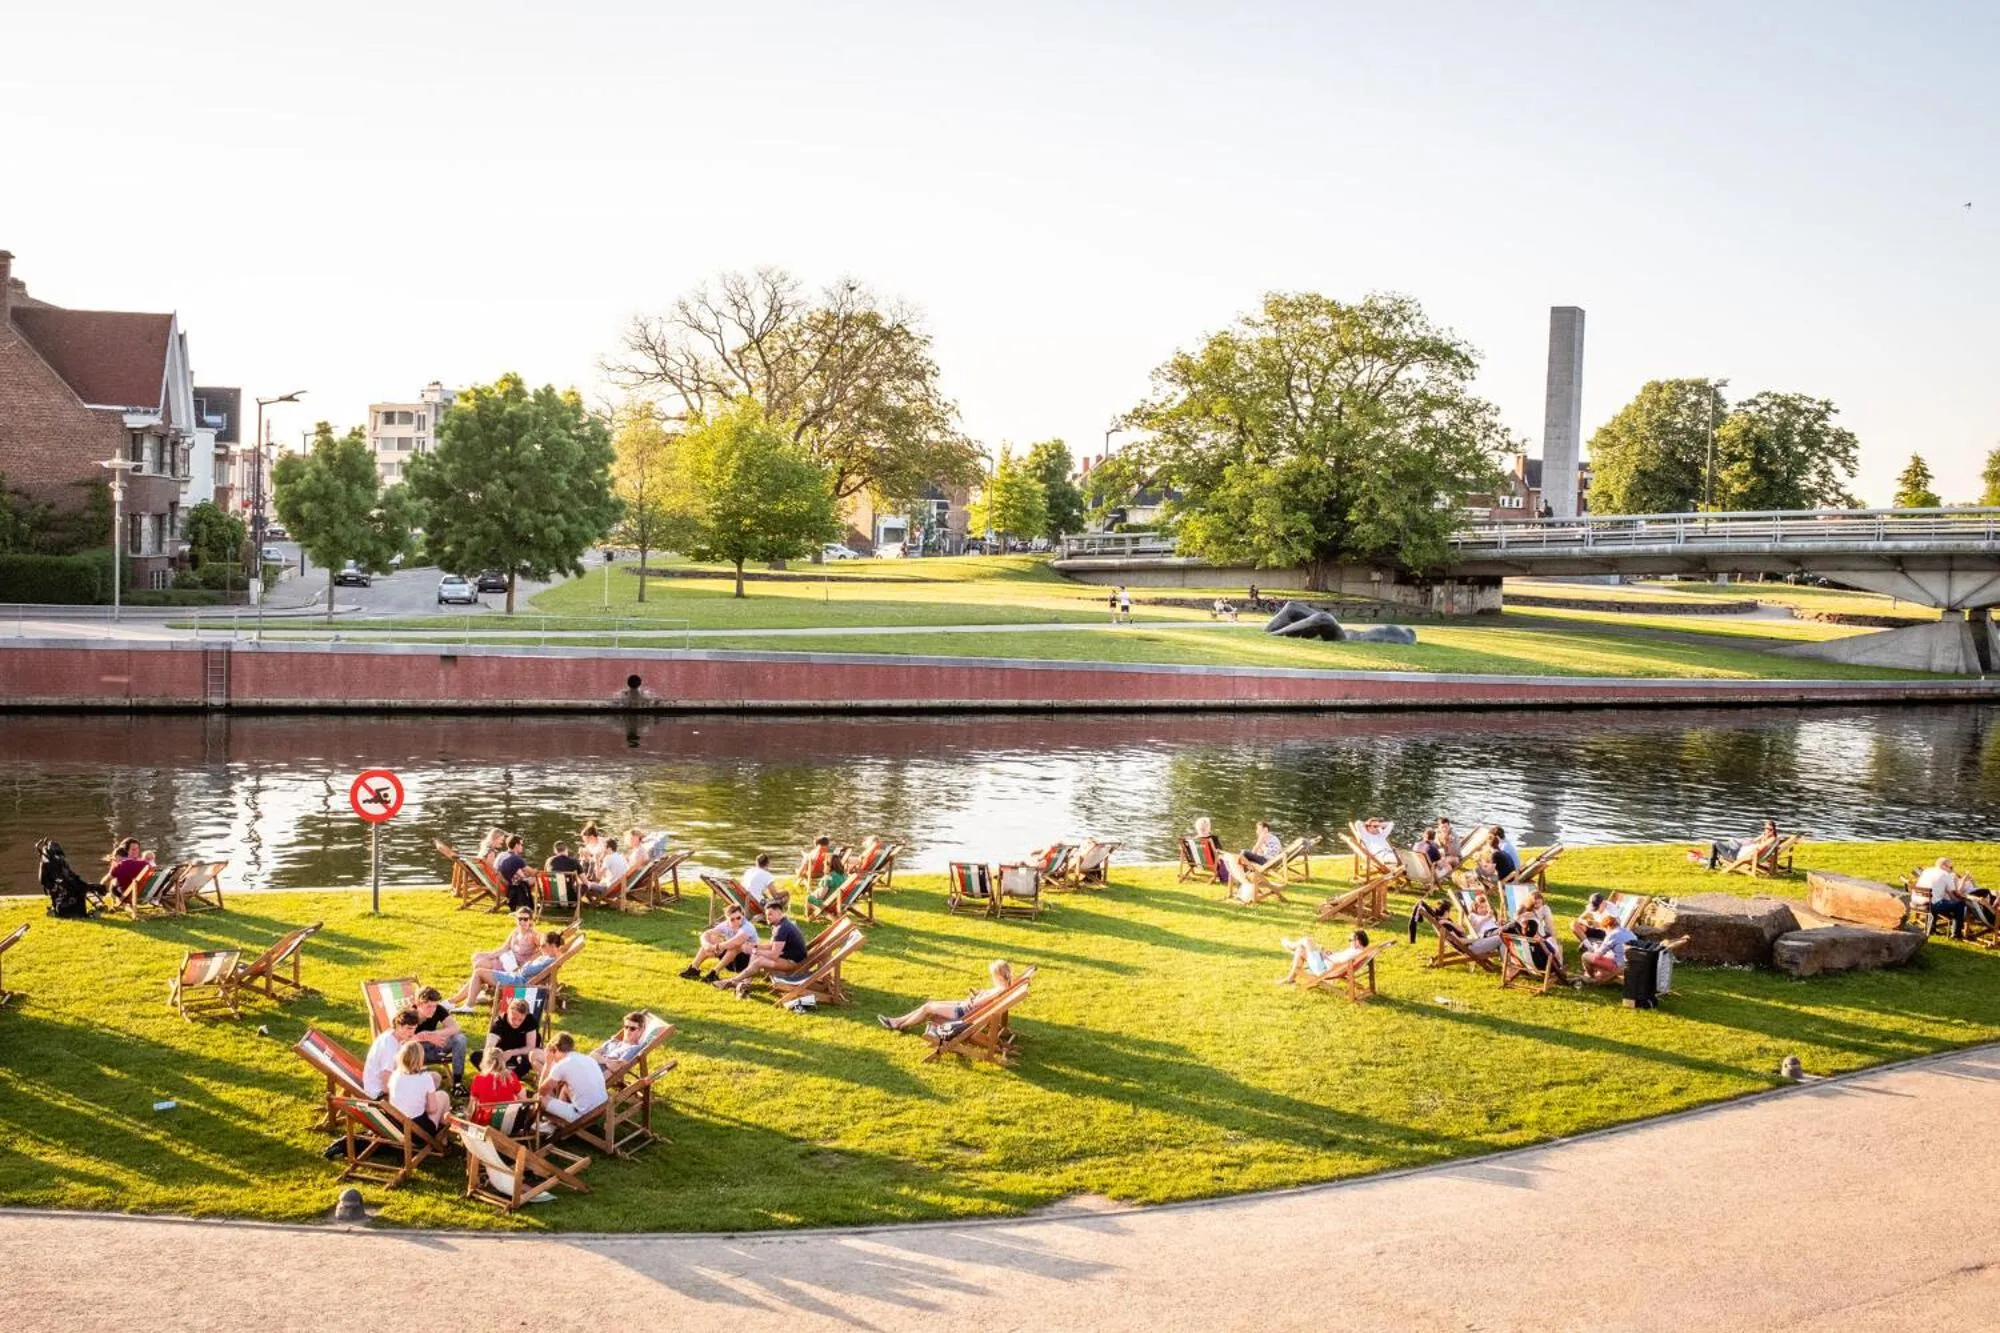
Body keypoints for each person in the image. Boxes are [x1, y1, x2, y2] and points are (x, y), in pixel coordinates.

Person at [879, 960, 1015, 1032]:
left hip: (963, 1013)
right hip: (964, 1007)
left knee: (927, 1008)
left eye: (992, 975)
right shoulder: (1005, 987)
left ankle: (899, 1025)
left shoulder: (999, 990)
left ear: (998, 975)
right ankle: (898, 1021)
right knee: (929, 1005)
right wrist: (982, 993)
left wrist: (978, 996)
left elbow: (976, 1004)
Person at [719, 895, 809, 997]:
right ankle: (745, 983)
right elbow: (772, 945)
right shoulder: (781, 924)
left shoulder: (782, 928)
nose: (767, 917)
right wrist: (755, 946)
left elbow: (774, 955)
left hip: (794, 964)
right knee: (756, 956)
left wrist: (753, 950)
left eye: (770, 914)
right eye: (766, 915)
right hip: (790, 958)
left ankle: (732, 981)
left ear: (779, 913)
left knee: (759, 960)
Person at [447, 929, 564, 1006]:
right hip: (515, 977)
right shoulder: (548, 957)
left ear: (553, 946)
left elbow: (526, 970)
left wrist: (527, 965)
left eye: (543, 945)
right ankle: (455, 1002)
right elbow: (527, 969)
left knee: (479, 972)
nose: (541, 948)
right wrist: (527, 965)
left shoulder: (549, 960)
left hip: (517, 982)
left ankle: (465, 1005)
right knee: (479, 974)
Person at [537, 1032, 608, 1132]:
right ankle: (553, 1124)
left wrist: (548, 1064)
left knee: (539, 1099)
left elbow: (541, 1091)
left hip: (582, 1116)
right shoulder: (588, 1058)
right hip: (600, 1110)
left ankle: (551, 1124)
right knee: (565, 1088)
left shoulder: (562, 1065)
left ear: (555, 1050)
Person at [386, 1041, 451, 1137]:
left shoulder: (395, 1075)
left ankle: (441, 1131)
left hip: (397, 1127)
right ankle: (443, 1137)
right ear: (420, 1059)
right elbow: (432, 1110)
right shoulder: (425, 1078)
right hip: (417, 1133)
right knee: (443, 1096)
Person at [412, 986, 467, 1091]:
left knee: (460, 1038)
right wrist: (425, 1036)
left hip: (435, 1046)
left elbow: (456, 1027)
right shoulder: (410, 1015)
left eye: (435, 1006)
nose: (433, 1010)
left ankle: (457, 1084)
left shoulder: (438, 1009)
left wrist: (435, 1034)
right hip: (417, 1052)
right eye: (428, 1006)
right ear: (418, 1004)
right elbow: (403, 1041)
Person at [683, 903, 758, 980]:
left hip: (746, 962)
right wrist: (706, 945)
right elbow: (706, 933)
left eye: (738, 918)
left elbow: (736, 942)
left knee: (736, 946)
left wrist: (716, 947)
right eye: (732, 919)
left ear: (742, 915)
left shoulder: (747, 927)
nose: (736, 921)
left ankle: (714, 973)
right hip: (731, 960)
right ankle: (694, 968)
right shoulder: (726, 925)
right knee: (712, 938)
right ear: (727, 919)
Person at [475, 994, 540, 1079]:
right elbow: (490, 1045)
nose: (516, 1022)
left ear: (525, 1016)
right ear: (508, 1012)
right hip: (501, 1054)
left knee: (529, 1059)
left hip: (520, 1053)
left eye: (520, 1020)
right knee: (476, 1056)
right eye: (513, 1018)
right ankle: (499, 1075)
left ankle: (508, 1079)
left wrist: (511, 1052)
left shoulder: (530, 1020)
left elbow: (530, 1047)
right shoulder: (500, 1022)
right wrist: (497, 1055)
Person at [1917, 856, 1981, 939]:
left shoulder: (1927, 871)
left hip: (1918, 902)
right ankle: (1956, 934)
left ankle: (1931, 929)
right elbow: (1953, 894)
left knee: (1936, 899)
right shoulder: (1946, 875)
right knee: (1959, 905)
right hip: (1932, 904)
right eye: (1950, 867)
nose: (1951, 869)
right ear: (1943, 865)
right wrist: (1963, 899)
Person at [1276, 929, 1369, 985]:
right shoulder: (1359, 952)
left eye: (1350, 940)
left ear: (1358, 941)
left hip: (1323, 970)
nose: (1349, 942)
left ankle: (1290, 945)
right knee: (1301, 949)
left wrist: (1324, 956)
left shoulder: (1354, 953)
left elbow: (1337, 964)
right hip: (1325, 964)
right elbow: (1340, 961)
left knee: (1306, 940)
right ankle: (1290, 979)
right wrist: (1328, 953)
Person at [364, 1009, 420, 1098]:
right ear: (398, 1026)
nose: (412, 1032)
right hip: (380, 1094)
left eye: (414, 1029)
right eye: (409, 1028)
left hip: (389, 1086)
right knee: (427, 1085)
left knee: (432, 1078)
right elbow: (386, 1081)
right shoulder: (389, 1045)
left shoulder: (394, 1036)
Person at [1690, 818, 1779, 871]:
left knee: (1715, 844)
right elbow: (1754, 841)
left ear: (1773, 830)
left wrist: (1761, 841)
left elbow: (1759, 848)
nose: (1767, 831)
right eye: (1766, 828)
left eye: (1770, 829)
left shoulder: (1770, 840)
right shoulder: (1769, 838)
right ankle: (1713, 861)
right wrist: (1762, 836)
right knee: (1732, 843)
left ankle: (1711, 865)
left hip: (1738, 857)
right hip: (1740, 851)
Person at [472, 909, 543, 974]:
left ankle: (483, 982)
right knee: (476, 956)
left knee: (479, 964)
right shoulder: (515, 932)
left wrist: (526, 964)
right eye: (520, 919)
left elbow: (542, 951)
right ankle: (482, 983)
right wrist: (489, 955)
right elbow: (503, 949)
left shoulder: (533, 935)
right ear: (516, 920)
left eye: (525, 919)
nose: (522, 921)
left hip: (514, 967)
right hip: (507, 959)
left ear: (530, 921)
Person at [103, 838, 153, 903]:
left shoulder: (121, 864)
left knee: (113, 881)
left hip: (128, 895)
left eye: (137, 848)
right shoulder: (145, 863)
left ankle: (112, 901)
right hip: (144, 894)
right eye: (133, 849)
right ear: (126, 851)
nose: (136, 851)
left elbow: (105, 880)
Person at [494, 834, 535, 911]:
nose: (522, 847)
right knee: (537, 878)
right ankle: (533, 902)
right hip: (513, 885)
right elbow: (532, 872)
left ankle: (529, 900)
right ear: (516, 845)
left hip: (502, 882)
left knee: (528, 877)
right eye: (521, 845)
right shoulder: (517, 858)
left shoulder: (501, 855)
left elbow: (496, 870)